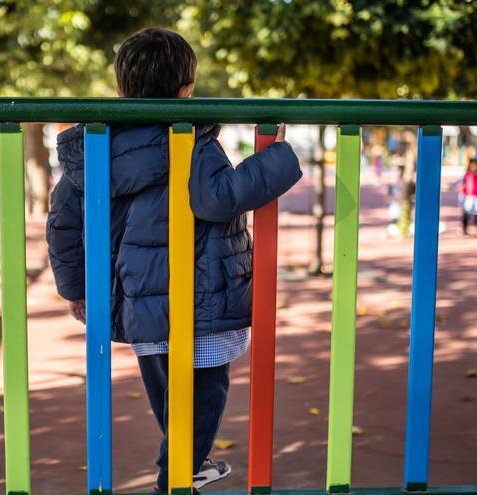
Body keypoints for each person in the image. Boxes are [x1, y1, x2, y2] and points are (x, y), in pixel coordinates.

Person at [46, 28, 302, 494]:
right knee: (206, 388)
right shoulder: (190, 138)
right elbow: (218, 198)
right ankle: (178, 473)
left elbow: (63, 224)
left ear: (122, 89)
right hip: (199, 296)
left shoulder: (96, 148)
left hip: (138, 301)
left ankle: (183, 462)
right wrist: (278, 160)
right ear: (187, 90)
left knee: (164, 388)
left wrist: (76, 288)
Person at [460, 158, 477, 235]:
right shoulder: (467, 174)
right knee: (466, 212)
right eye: (472, 166)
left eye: (475, 166)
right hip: (468, 196)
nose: (473, 167)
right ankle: (464, 228)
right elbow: (462, 182)